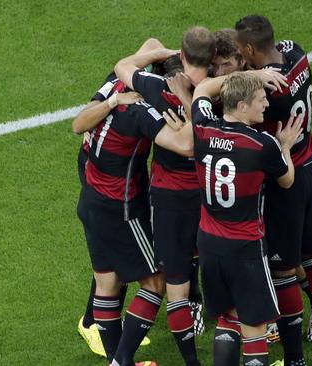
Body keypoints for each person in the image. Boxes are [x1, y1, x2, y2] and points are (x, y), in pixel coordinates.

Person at [236, 14, 312, 366]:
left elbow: (243, 114)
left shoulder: (270, 92)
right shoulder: (296, 53)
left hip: (286, 181)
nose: (241, 58)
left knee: (283, 269)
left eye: (242, 52)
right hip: (311, 166)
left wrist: (243, 76)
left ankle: (294, 359)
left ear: (251, 48)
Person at [114, 28, 217, 366]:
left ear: (183, 56)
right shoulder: (218, 88)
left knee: (173, 286)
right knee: (218, 264)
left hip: (171, 199)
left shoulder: (159, 87)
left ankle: (192, 363)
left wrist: (157, 53)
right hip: (212, 193)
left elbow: (122, 67)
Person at [77, 76, 194, 365]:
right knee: (155, 282)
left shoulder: (114, 86)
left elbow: (77, 124)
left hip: (91, 200)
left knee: (107, 283)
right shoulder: (140, 114)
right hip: (122, 210)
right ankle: (121, 361)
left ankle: (117, 362)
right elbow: (186, 145)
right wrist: (190, 106)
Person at [191, 71, 302, 366]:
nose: (265, 103)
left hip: (209, 243)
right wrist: (286, 146)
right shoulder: (261, 145)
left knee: (228, 318)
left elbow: (202, 88)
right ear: (242, 106)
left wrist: (248, 75)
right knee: (255, 327)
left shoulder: (202, 128)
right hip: (245, 249)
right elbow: (287, 179)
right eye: (259, 99)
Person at [72, 71, 147, 358]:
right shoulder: (124, 85)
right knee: (120, 257)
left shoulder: (128, 77)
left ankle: (101, 322)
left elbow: (149, 46)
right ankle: (92, 322)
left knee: (112, 261)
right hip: (104, 177)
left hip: (112, 175)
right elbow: (78, 124)